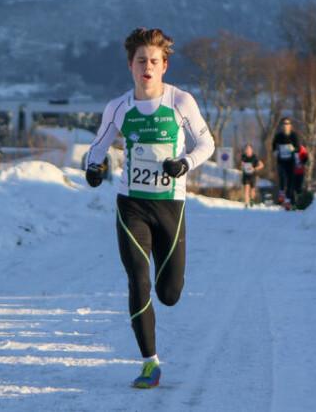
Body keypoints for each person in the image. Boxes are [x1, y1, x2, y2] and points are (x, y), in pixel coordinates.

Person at [84, 28, 215, 389]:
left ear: (164, 66)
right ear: (131, 65)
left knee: (169, 294)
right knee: (137, 280)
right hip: (132, 206)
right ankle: (149, 364)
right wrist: (93, 168)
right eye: (141, 60)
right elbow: (98, 147)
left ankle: (165, 285)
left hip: (170, 205)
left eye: (154, 61)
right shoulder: (118, 107)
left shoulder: (181, 102)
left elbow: (207, 144)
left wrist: (185, 163)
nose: (147, 66)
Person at [271, 117, 300, 209]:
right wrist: (275, 151)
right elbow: (273, 145)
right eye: (284, 124)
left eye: (287, 124)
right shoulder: (279, 136)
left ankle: (288, 201)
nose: (285, 126)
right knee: (282, 178)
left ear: (290, 126)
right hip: (281, 161)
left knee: (291, 181)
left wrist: (294, 150)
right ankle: (282, 193)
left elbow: (298, 147)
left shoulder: (293, 136)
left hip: (291, 161)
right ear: (281, 126)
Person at [239, 143, 264, 208]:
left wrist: (254, 169)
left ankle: (252, 200)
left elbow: (261, 165)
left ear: (251, 150)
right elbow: (241, 166)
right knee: (246, 189)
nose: (247, 150)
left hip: (252, 175)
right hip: (245, 175)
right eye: (246, 149)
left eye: (248, 149)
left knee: (252, 190)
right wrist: (242, 165)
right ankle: (246, 203)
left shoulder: (254, 157)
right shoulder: (243, 156)